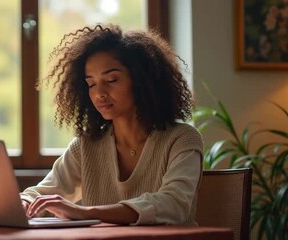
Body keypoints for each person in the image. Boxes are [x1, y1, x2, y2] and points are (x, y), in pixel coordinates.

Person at [19, 23, 203, 226]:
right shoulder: (85, 147)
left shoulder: (182, 139)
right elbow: (42, 192)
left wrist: (86, 212)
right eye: (91, 84)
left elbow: (173, 204)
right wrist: (24, 202)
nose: (99, 93)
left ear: (143, 80)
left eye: (112, 79)